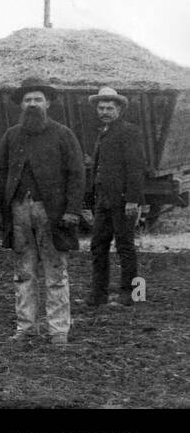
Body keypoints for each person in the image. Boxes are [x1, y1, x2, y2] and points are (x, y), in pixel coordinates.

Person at [0, 78, 86, 346]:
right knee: (23, 272)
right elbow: (0, 173)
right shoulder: (11, 135)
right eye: (28, 100)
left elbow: (77, 175)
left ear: (48, 103)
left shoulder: (63, 134)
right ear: (21, 104)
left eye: (38, 99)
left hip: (52, 214)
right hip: (18, 212)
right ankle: (26, 328)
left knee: (56, 272)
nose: (32, 104)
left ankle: (58, 331)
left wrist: (72, 211)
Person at [85, 86, 147, 307]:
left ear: (119, 109)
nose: (104, 111)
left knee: (124, 246)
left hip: (122, 201)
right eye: (101, 108)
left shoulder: (129, 132)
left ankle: (128, 293)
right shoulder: (104, 132)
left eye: (109, 108)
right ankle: (98, 294)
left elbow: (135, 168)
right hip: (103, 200)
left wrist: (132, 199)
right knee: (98, 246)